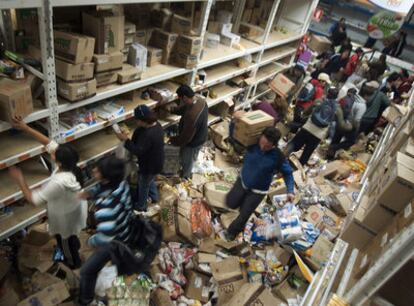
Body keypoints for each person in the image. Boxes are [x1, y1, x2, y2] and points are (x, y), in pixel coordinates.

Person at [9, 116, 86, 269]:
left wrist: (20, 179)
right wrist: (26, 128)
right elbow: (48, 143)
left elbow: (33, 199)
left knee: (65, 241)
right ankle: (74, 243)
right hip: (74, 210)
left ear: (59, 162)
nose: (51, 153)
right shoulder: (72, 166)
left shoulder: (60, 181)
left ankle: (72, 262)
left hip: (65, 220)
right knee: (72, 237)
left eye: (54, 155)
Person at [225, 127, 294, 240]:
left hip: (257, 192)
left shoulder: (278, 157)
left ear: (274, 145)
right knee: (230, 203)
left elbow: (288, 173)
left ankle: (232, 232)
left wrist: (290, 191)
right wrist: (235, 121)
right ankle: (239, 206)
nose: (262, 147)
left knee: (244, 215)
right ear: (260, 137)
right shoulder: (252, 144)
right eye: (262, 142)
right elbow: (235, 135)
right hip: (242, 182)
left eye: (267, 146)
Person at [114, 105, 164, 211]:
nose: (135, 122)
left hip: (149, 166)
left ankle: (141, 206)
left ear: (143, 120)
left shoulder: (149, 135)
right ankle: (155, 198)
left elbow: (138, 151)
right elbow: (140, 136)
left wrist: (125, 140)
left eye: (136, 120)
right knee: (149, 181)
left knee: (143, 185)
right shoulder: (157, 125)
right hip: (156, 164)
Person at [286, 87, 352, 165]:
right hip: (318, 135)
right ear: (337, 96)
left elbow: (305, 112)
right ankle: (296, 172)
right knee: (306, 154)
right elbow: (342, 126)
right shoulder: (337, 109)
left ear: (327, 93)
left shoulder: (319, 101)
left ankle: (280, 158)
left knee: (293, 144)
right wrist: (350, 124)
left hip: (307, 128)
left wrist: (306, 117)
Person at [79, 156, 133, 247]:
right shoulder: (122, 183)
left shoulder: (106, 208)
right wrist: (90, 193)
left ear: (107, 178)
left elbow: (105, 239)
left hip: (118, 242)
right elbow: (102, 187)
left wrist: (91, 241)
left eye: (99, 171)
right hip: (126, 226)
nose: (94, 170)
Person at [170, 85, 208, 179]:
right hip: (201, 136)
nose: (181, 102)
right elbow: (185, 109)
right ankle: (188, 169)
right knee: (192, 157)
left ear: (185, 97)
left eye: (181, 99)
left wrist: (173, 140)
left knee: (187, 161)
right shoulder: (200, 100)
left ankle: (185, 178)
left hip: (193, 143)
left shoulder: (192, 116)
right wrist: (172, 109)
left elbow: (186, 138)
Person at [327, 85, 375, 159]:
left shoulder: (352, 98)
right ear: (366, 95)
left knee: (336, 137)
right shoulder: (362, 105)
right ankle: (333, 147)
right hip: (348, 126)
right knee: (351, 141)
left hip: (340, 120)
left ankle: (328, 155)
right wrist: (357, 130)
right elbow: (357, 120)